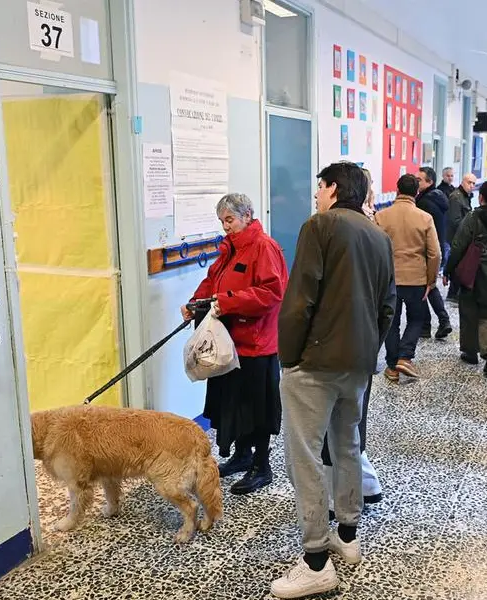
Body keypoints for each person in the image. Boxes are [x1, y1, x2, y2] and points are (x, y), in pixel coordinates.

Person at [273, 161, 396, 599]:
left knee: (304, 457)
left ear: (332, 188)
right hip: (358, 365)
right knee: (347, 447)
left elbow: (300, 298)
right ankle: (347, 534)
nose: (316, 195)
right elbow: (388, 306)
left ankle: (315, 561)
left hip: (316, 364)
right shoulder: (378, 235)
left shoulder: (320, 226)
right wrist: (370, 351)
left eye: (319, 186)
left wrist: (288, 356)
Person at [181, 193, 288, 496]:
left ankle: (261, 465)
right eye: (222, 221)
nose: (225, 226)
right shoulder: (229, 249)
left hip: (256, 344)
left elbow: (271, 294)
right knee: (234, 404)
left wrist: (227, 302)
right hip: (228, 345)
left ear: (247, 216)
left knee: (257, 408)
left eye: (230, 219)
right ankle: (242, 456)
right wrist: (194, 303)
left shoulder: (264, 248)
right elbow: (212, 281)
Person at [322, 166, 383, 514]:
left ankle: (343, 498)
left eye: (321, 187)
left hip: (343, 345)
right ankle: (365, 484)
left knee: (341, 424)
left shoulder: (335, 231)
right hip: (362, 344)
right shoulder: (373, 229)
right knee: (350, 421)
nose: (317, 193)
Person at [375, 174, 440, 382]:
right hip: (416, 279)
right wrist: (431, 281)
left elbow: (375, 249)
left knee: (391, 321)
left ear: (397, 189)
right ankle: (405, 356)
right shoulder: (424, 218)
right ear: (417, 192)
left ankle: (392, 366)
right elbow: (434, 254)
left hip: (389, 278)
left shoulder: (381, 216)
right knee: (416, 318)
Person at [444, 181, 487, 377]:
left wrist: (449, 269)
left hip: (474, 274)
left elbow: (458, 245)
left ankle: (470, 352)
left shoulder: (473, 217)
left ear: (480, 196)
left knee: (470, 312)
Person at [415, 167, 453, 339]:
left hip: (428, 248)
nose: (417, 182)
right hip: (439, 246)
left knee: (424, 286)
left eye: (419, 180)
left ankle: (433, 323)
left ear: (429, 182)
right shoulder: (437, 196)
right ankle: (438, 322)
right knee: (429, 285)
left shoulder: (424, 202)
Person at [446, 173, 477, 301]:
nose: (471, 186)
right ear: (462, 182)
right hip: (456, 236)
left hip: (462, 235)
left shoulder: (465, 197)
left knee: (462, 263)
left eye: (474, 184)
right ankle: (453, 293)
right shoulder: (456, 197)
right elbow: (455, 221)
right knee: (457, 263)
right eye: (469, 182)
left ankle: (455, 292)